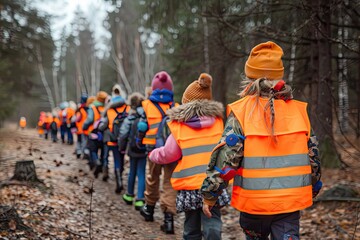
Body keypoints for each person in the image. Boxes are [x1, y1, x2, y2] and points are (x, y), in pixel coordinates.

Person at [200, 41, 322, 240]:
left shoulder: (241, 112)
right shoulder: (298, 111)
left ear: (250, 77)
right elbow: (313, 157)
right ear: (279, 75)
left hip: (254, 205)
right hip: (290, 204)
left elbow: (227, 160)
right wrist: (314, 186)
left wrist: (210, 194)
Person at [149, 73, 230, 239]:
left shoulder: (179, 126)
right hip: (212, 184)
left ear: (186, 102)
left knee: (191, 227)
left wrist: (153, 154)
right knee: (212, 222)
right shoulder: (219, 123)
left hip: (189, 186)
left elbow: (168, 154)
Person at [137, 71, 178, 234]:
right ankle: (169, 220)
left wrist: (139, 141)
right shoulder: (175, 107)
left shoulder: (146, 105)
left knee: (152, 178)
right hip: (171, 151)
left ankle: (149, 210)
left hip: (152, 149)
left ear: (154, 88)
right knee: (169, 182)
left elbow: (141, 127)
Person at [119, 92, 147, 210]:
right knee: (141, 173)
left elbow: (123, 134)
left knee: (132, 172)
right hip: (143, 148)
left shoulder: (129, 118)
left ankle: (129, 195)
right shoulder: (146, 117)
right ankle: (140, 200)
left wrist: (122, 148)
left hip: (132, 149)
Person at [98, 93, 129, 191]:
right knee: (121, 159)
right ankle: (120, 178)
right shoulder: (127, 108)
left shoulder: (109, 111)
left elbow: (102, 127)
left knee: (114, 159)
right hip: (124, 141)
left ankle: (118, 181)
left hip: (112, 140)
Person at [83, 91, 108, 171]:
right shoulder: (106, 108)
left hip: (93, 132)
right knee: (103, 150)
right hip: (103, 132)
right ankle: (102, 165)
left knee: (93, 150)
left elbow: (89, 119)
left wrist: (85, 126)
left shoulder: (92, 107)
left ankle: (96, 162)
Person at [74, 94, 88, 159]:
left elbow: (76, 119)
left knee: (79, 141)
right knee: (84, 141)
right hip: (85, 129)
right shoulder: (88, 109)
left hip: (79, 128)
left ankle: (79, 151)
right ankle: (83, 152)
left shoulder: (79, 109)